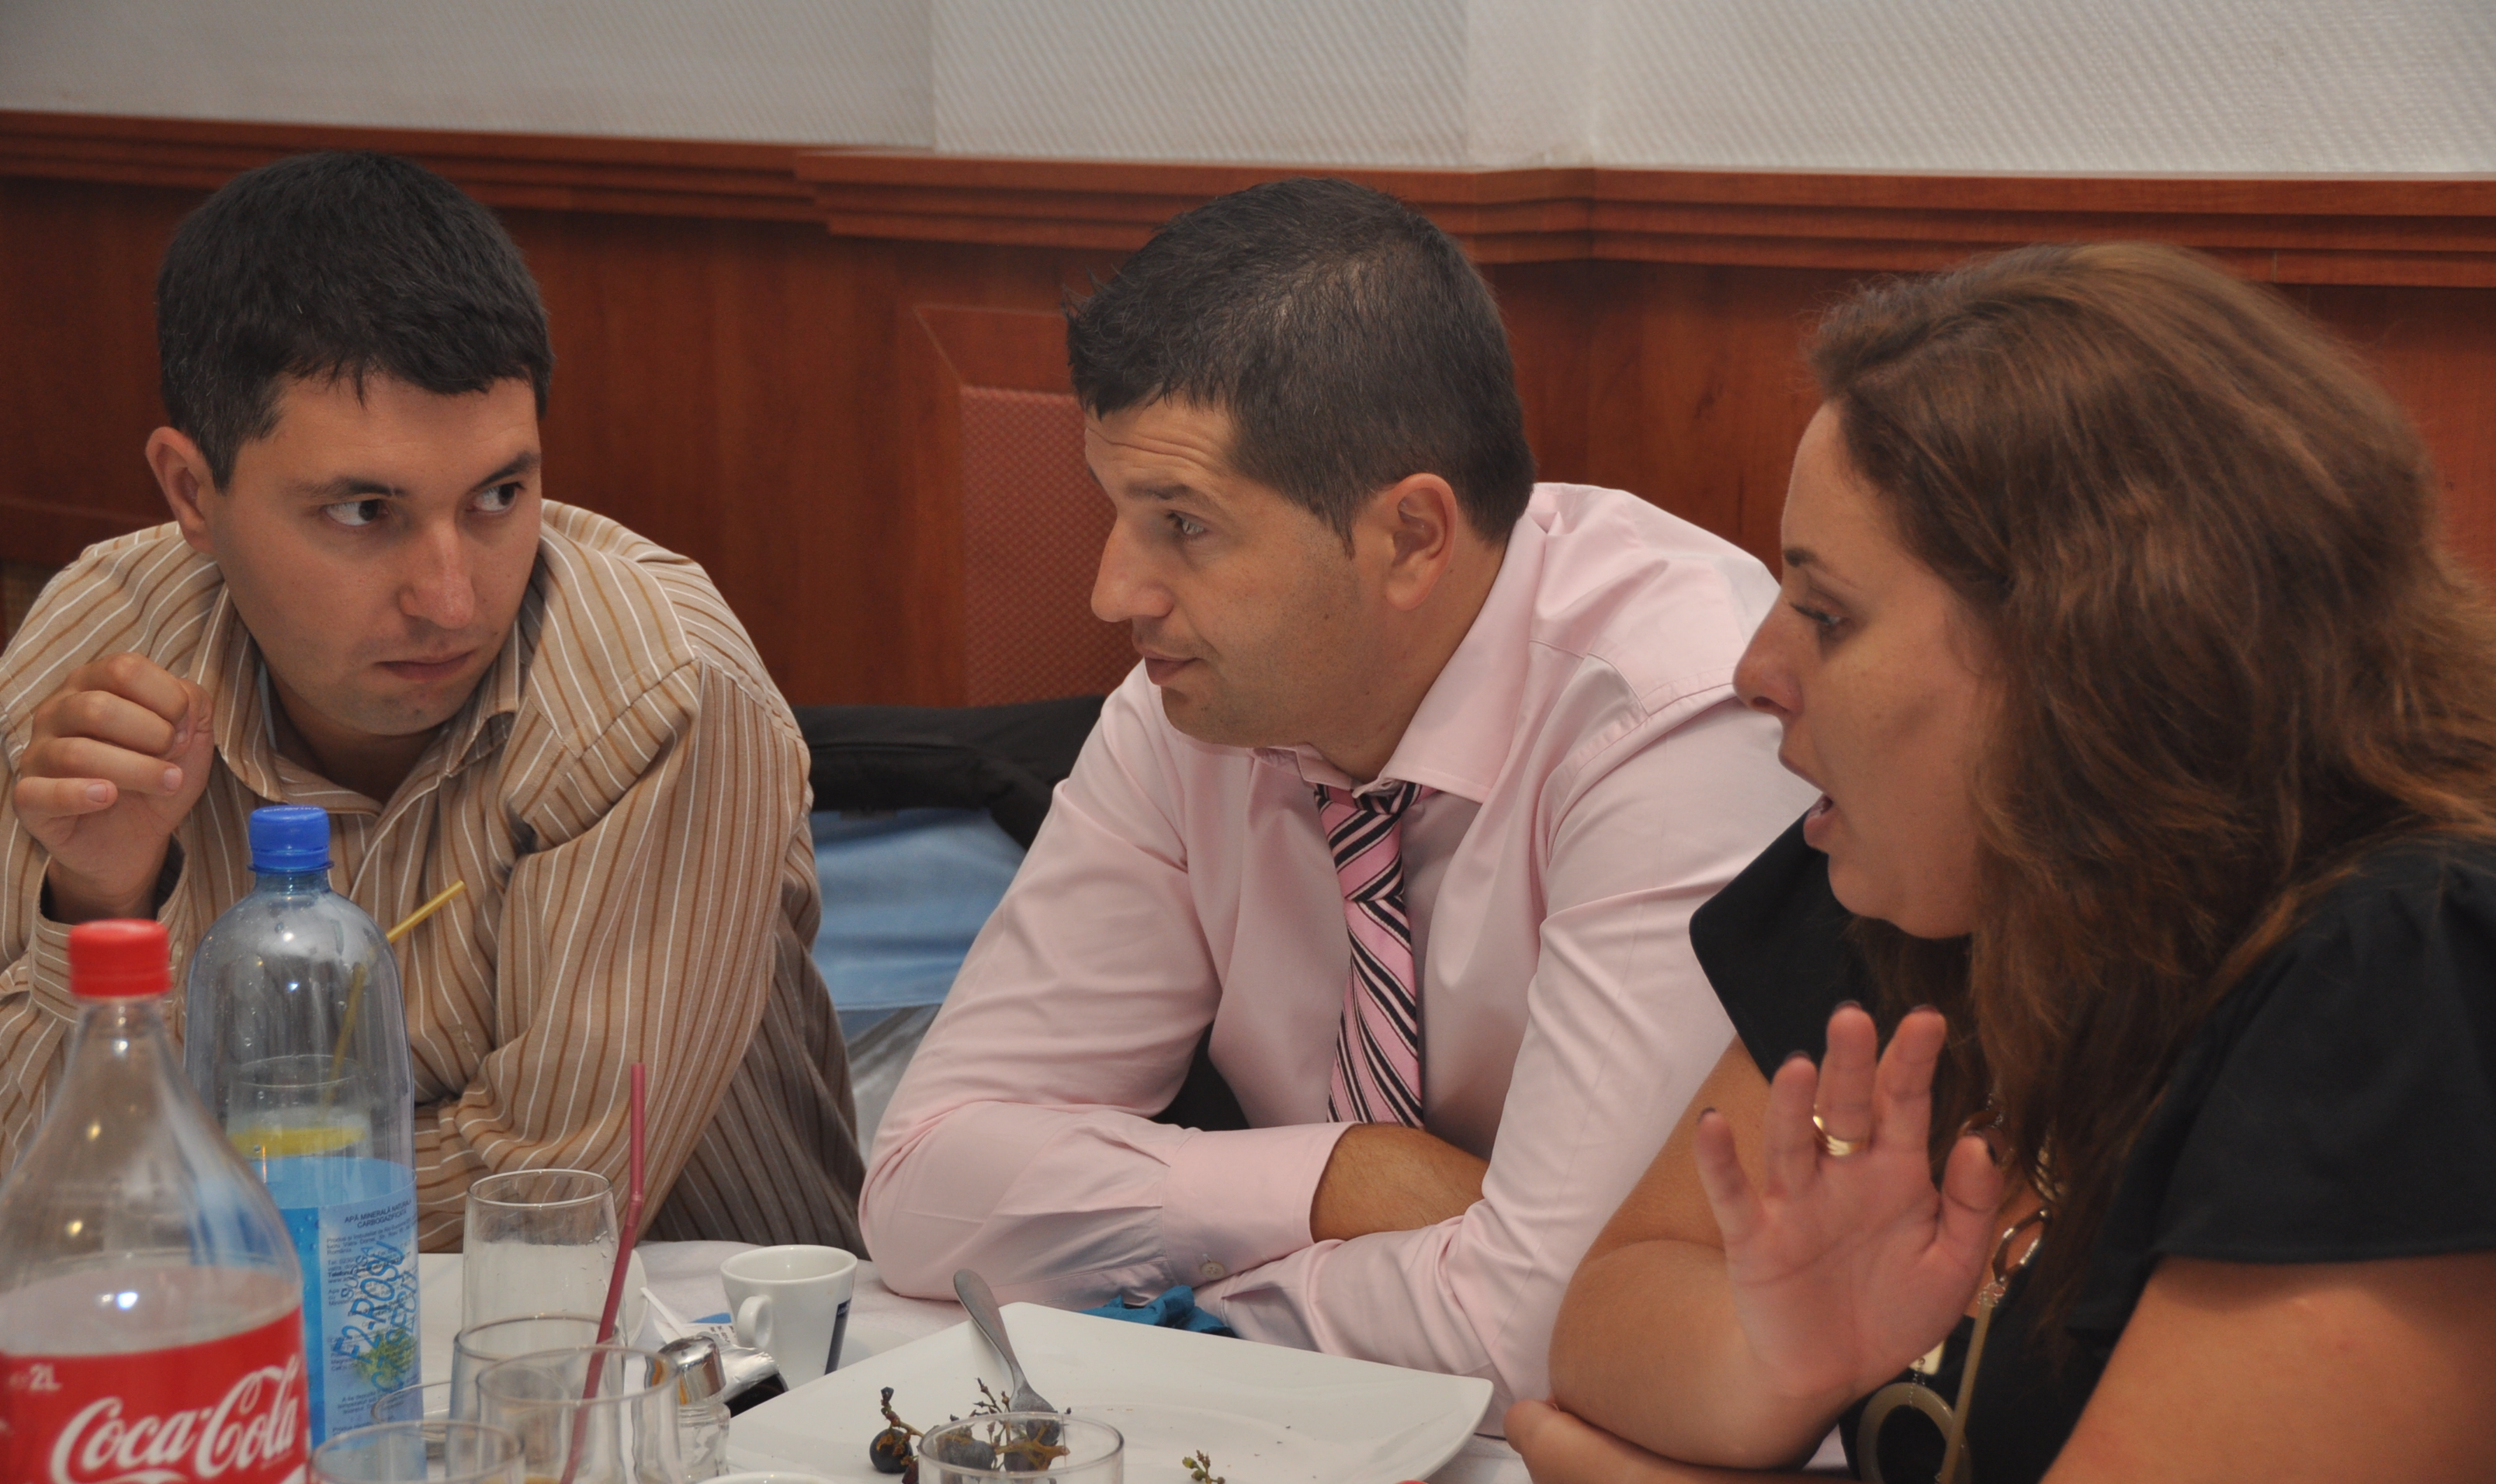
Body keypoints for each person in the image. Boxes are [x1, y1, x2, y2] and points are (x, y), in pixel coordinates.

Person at [1510, 242, 2496, 1484]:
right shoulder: (1934, 885)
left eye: (1827, 612)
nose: (1756, 672)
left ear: (2094, 657)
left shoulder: (2412, 970)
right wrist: (1772, 1363)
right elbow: (1608, 1317)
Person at [860, 178, 1811, 1408]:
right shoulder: (1185, 716)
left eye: (1183, 525)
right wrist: (1338, 1179)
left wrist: (1173, 1311)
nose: (1112, 593)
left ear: (1411, 537)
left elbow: (1551, 1322)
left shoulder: (1672, 711)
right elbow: (922, 1190)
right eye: (1117, 512)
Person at [0, 151, 863, 1250]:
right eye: (365, 512)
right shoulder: (95, 649)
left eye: (500, 495)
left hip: (669, 1331)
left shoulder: (653, 693)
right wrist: (99, 899)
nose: (452, 602)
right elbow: (29, 1181)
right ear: (192, 492)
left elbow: (544, 1194)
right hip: (194, 1337)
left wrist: (168, 1200)